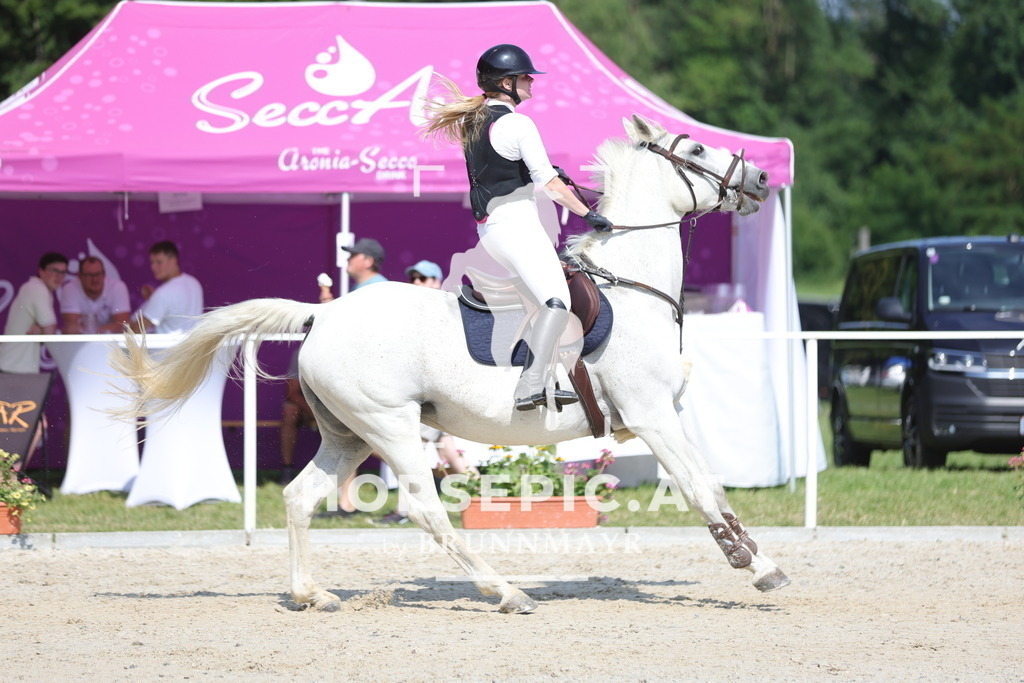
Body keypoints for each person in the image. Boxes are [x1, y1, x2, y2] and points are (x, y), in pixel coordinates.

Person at [421, 43, 612, 410]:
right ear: (507, 82)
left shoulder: (474, 122)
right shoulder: (518, 123)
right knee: (558, 302)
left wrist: (539, 171)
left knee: (545, 295)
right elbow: (550, 186)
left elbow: (502, 168)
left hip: (492, 231)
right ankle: (531, 383)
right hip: (517, 227)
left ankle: (550, 374)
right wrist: (588, 214)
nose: (531, 82)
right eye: (526, 77)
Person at [0, 252, 68, 471]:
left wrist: (40, 332)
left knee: (29, 428)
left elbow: (44, 335)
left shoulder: (36, 290)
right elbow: (50, 336)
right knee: (30, 428)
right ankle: (10, 483)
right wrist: (42, 332)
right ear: (41, 271)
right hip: (13, 372)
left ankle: (10, 482)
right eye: (54, 271)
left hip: (13, 370)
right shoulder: (36, 289)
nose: (59, 276)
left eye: (63, 272)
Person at [131, 241, 204, 334]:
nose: (153, 267)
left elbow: (135, 331)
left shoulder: (163, 293)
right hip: (193, 346)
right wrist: (152, 300)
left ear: (174, 260)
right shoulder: (194, 283)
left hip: (169, 348)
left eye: (159, 262)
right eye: (152, 262)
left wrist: (154, 299)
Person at [60, 256, 131, 334]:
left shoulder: (117, 287)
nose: (94, 279)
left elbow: (123, 325)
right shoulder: (70, 288)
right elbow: (72, 328)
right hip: (82, 344)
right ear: (80, 276)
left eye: (97, 274)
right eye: (89, 275)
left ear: (104, 274)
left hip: (111, 342)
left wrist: (93, 331)